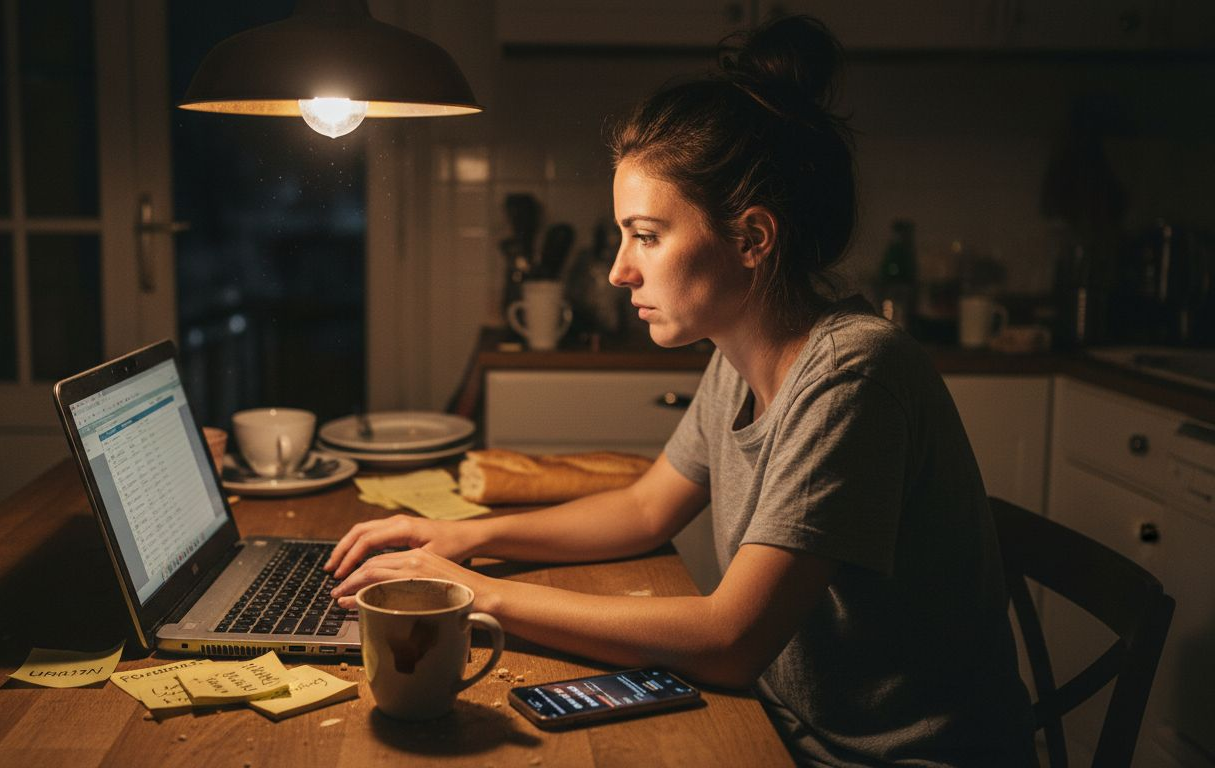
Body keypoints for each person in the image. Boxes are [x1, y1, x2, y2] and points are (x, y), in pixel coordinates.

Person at [327, 15, 1035, 766]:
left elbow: (731, 641)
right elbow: (645, 507)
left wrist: (474, 594)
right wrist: (465, 538)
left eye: (648, 235)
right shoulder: (739, 352)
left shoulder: (852, 376)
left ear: (752, 239)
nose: (618, 270)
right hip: (785, 728)